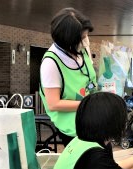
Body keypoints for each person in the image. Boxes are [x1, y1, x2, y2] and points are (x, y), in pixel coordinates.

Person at [40, 7, 98, 147]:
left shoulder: (80, 49)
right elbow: (53, 103)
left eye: (86, 36)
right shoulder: (51, 63)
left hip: (92, 119)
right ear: (68, 40)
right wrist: (88, 105)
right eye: (82, 38)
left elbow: (89, 77)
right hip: (73, 128)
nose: (86, 42)